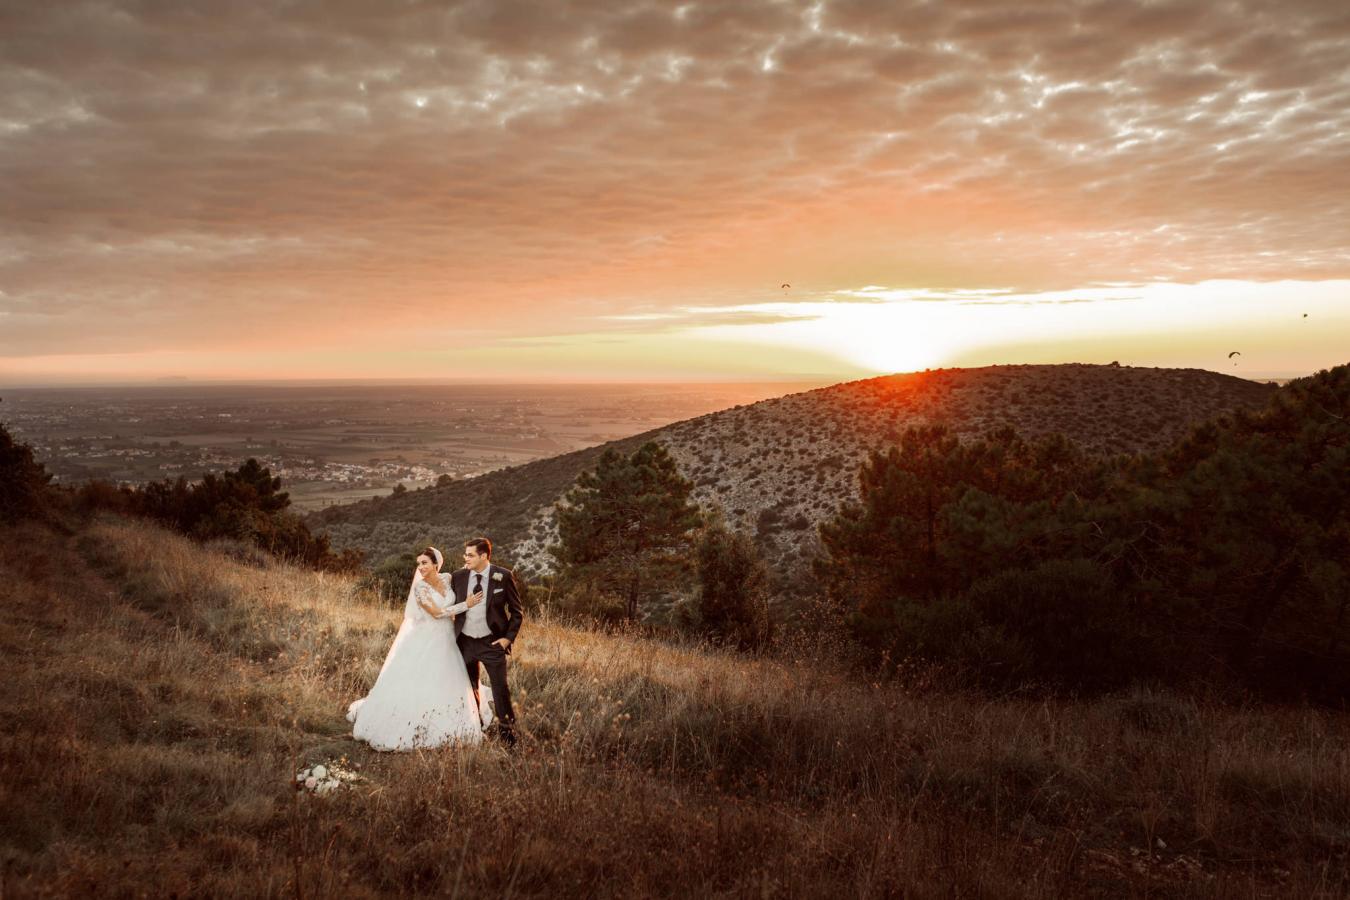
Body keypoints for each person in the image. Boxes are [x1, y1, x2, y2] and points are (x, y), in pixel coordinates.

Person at [346, 546, 486, 751]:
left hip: (447, 639)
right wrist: (467, 604)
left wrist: (470, 566)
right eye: (418, 563)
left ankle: (453, 724)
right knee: (419, 679)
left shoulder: (447, 578)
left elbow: (463, 575)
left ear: (436, 564)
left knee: (447, 680)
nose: (420, 567)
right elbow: (437, 613)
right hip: (427, 638)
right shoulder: (419, 588)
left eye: (424, 563)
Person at [436, 537, 524, 748]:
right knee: (468, 687)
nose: (465, 558)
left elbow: (517, 612)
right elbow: (444, 600)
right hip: (464, 642)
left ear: (484, 556)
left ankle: (508, 738)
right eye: (465, 554)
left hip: (492, 643)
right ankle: (475, 729)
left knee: (500, 689)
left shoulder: (502, 576)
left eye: (470, 555)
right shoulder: (458, 576)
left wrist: (507, 638)